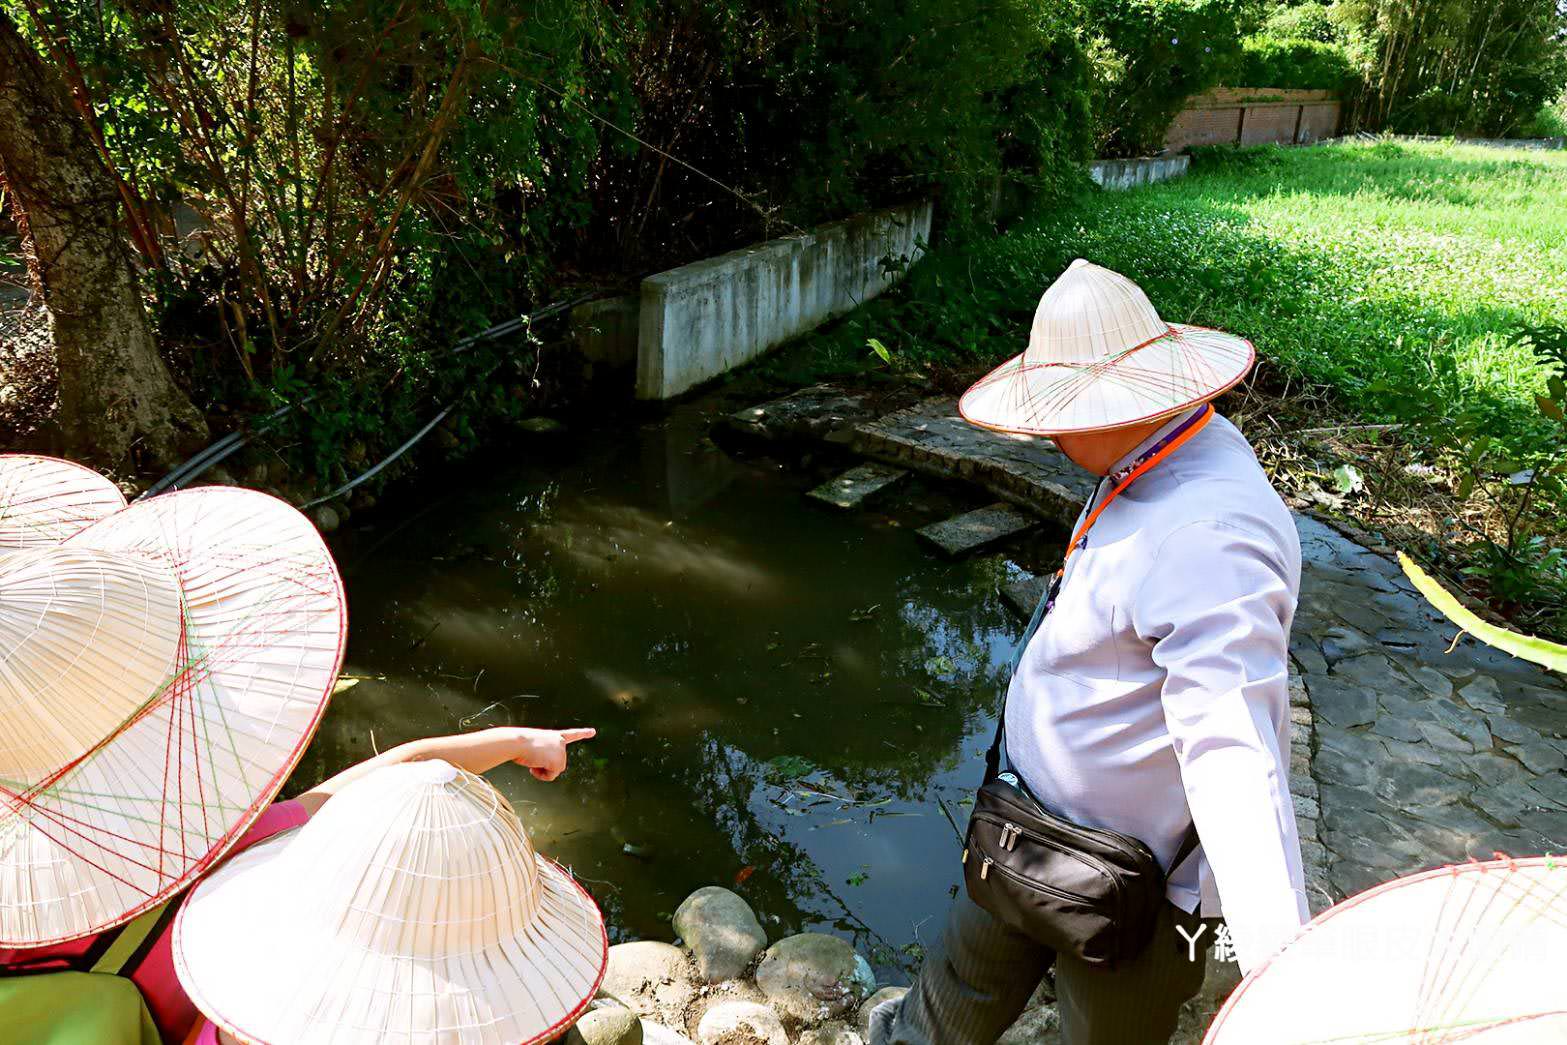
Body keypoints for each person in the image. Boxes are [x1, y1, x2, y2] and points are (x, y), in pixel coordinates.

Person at [870, 260, 1309, 1044]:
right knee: (943, 1006)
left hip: (1136, 888)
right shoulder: (1160, 453)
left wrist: (1283, 964)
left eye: (1060, 411)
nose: (1049, 431)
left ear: (1119, 405)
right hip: (1025, 827)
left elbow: (1232, 750)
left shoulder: (1210, 537)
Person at [173, 730, 605, 1045]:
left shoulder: (247, 996)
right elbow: (408, 768)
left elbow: (408, 770)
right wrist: (521, 741)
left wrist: (519, 741)